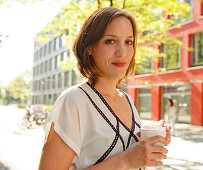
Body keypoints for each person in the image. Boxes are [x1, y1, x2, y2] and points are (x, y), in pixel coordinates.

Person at [38, 7, 171, 170]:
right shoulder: (74, 101)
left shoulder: (128, 101)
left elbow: (127, 154)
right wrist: (125, 161)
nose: (122, 52)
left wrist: (149, 143)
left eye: (128, 42)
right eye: (110, 41)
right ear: (89, 48)